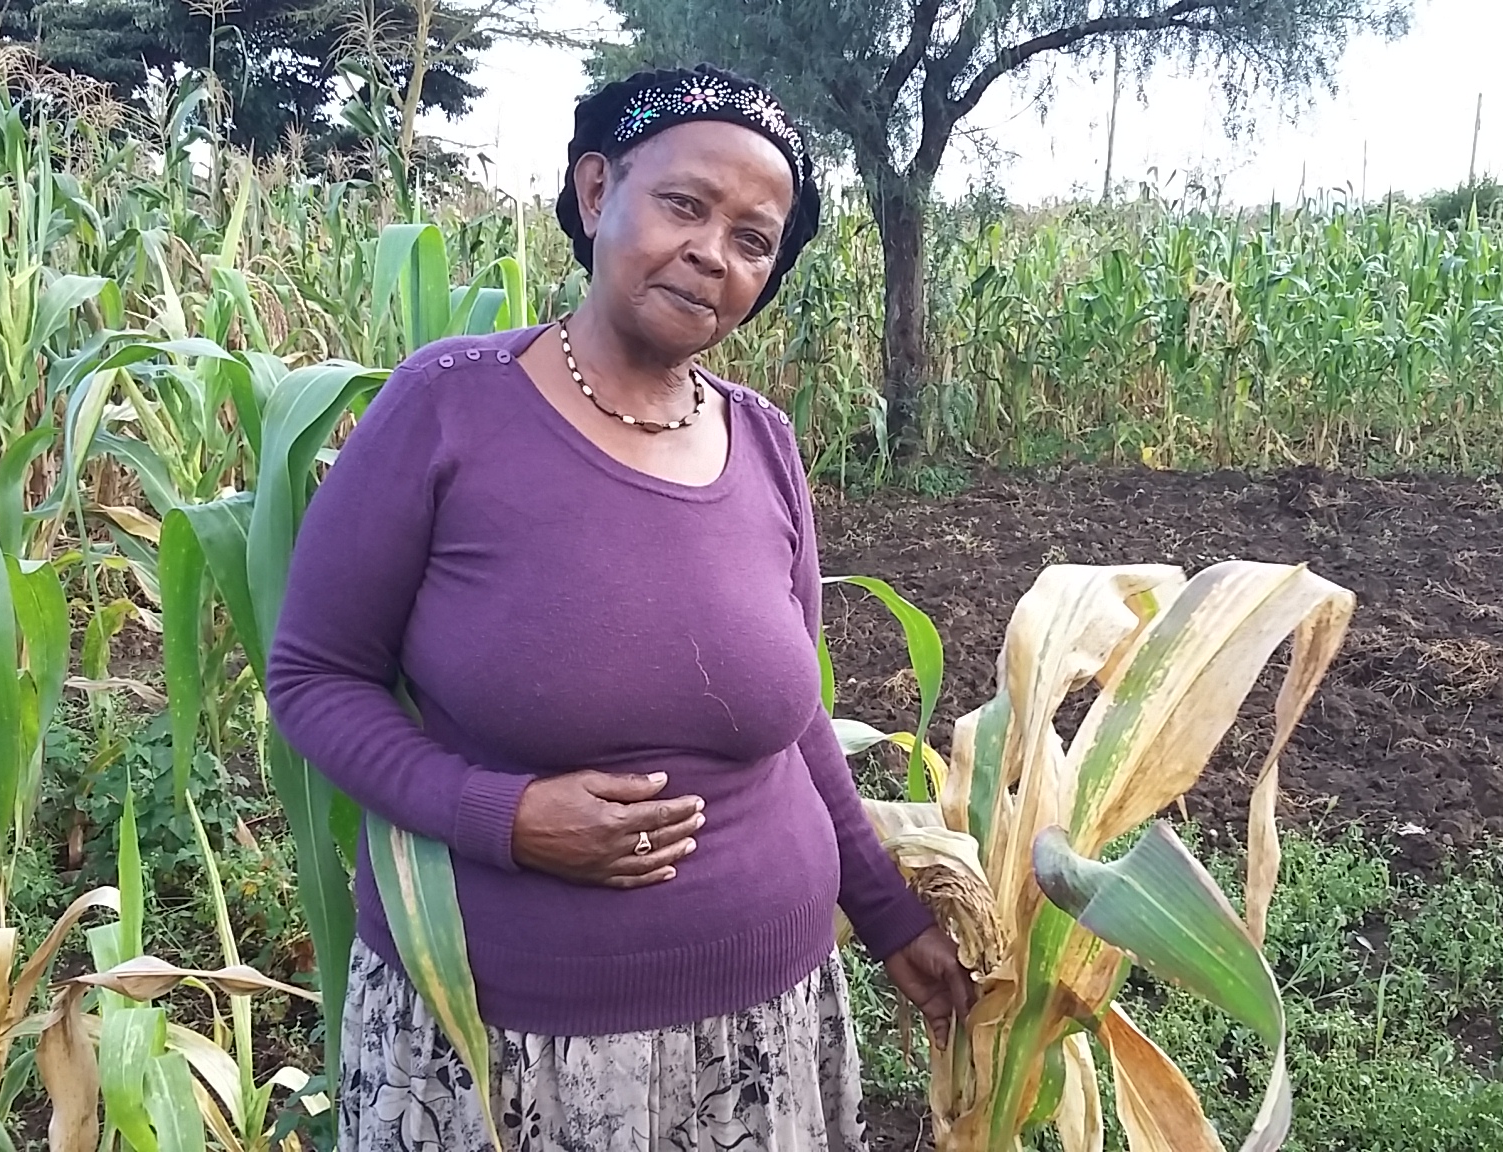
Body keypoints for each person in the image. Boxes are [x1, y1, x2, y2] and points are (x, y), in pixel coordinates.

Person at [268, 63, 975, 1152]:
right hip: (504, 1033)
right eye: (684, 205)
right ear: (597, 194)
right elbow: (313, 679)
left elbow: (795, 726)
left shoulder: (765, 444)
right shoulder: (449, 407)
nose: (713, 252)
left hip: (763, 1021)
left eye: (753, 239)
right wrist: (498, 817)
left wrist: (885, 915)